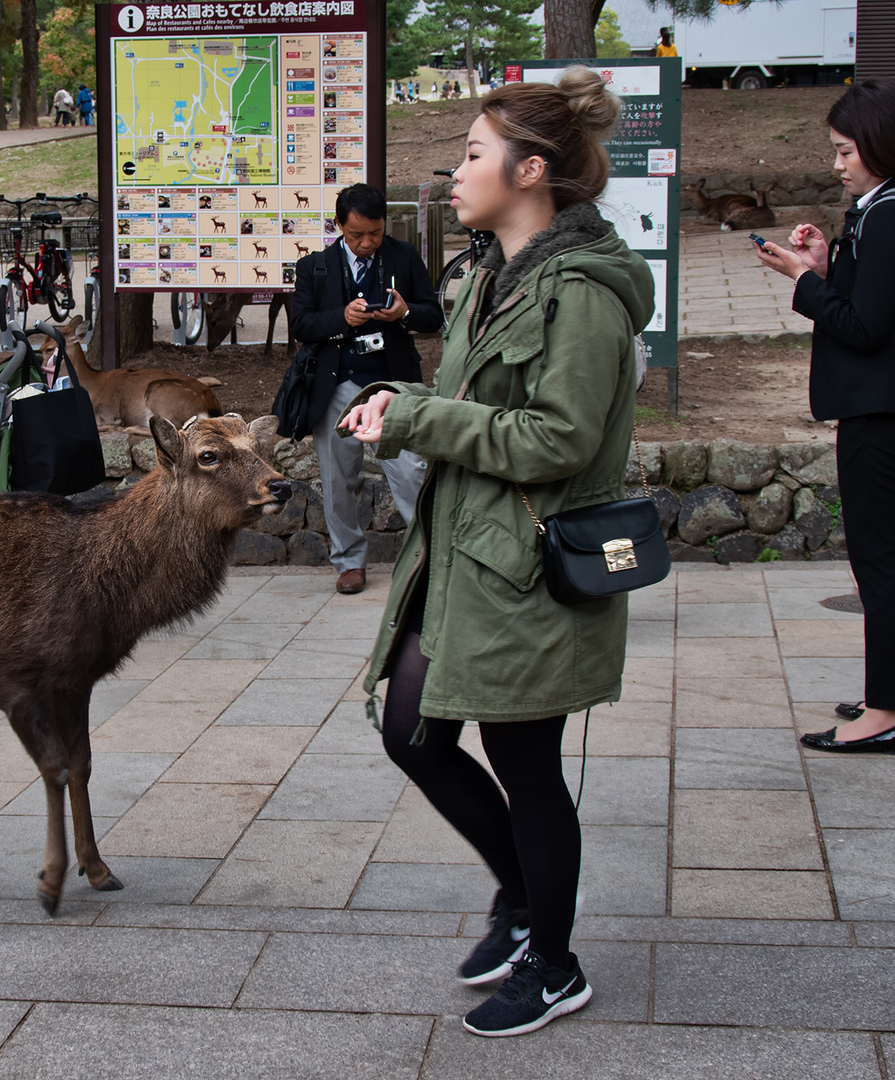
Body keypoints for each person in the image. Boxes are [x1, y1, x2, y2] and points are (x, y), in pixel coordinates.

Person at [338, 70, 654, 1037]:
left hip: (530, 567)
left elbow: (557, 440)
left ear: (529, 170)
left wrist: (416, 414)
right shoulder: (484, 276)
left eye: (474, 154)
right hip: (463, 551)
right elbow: (480, 412)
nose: (459, 169)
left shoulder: (583, 296)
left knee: (526, 763)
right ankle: (521, 902)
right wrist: (407, 409)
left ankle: (553, 963)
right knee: (411, 731)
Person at [756, 78, 895, 753]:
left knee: (882, 558)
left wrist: (803, 283)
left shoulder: (893, 214)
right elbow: (880, 305)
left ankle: (884, 713)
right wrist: (822, 264)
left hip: (882, 409)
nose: (835, 164)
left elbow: (864, 327)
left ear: (880, 145)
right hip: (892, 405)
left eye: (843, 151)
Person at [288, 183, 441, 596]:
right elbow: (301, 325)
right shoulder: (314, 267)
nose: (367, 242)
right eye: (357, 235)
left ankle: (430, 557)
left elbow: (434, 316)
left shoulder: (403, 256)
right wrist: (343, 317)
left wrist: (405, 312)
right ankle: (349, 562)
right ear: (339, 225)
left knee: (410, 470)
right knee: (338, 478)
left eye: (375, 232)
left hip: (393, 383)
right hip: (337, 383)